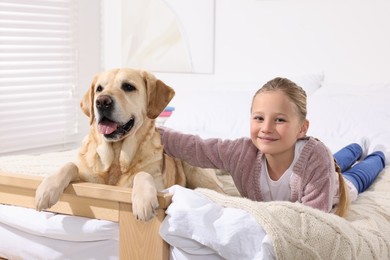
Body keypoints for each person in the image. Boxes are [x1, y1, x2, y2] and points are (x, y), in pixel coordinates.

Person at [159, 77, 388, 217]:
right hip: (322, 167)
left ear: (302, 128)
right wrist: (149, 130)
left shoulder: (316, 157)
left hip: (339, 187)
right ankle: (357, 145)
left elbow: (312, 219)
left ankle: (377, 153)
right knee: (341, 156)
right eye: (259, 118)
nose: (266, 128)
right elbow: (196, 148)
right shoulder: (241, 152)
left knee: (358, 174)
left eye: (279, 120)